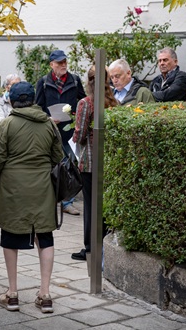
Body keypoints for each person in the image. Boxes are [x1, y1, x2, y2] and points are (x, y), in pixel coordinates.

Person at [0, 81, 64, 314]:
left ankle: (12, 294)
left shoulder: (7, 125)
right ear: (33, 100)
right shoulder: (49, 125)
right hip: (42, 188)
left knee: (10, 237)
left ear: (11, 100)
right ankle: (45, 294)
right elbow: (58, 157)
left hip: (13, 189)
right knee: (45, 236)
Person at [70, 66, 119, 262]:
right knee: (104, 206)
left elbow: (80, 134)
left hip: (89, 162)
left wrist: (74, 134)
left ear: (88, 81)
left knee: (90, 207)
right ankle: (104, 244)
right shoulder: (114, 102)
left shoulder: (86, 103)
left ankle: (90, 248)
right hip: (109, 162)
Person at [35, 49, 86, 216]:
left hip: (69, 132)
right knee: (49, 165)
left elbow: (83, 101)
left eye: (64, 62)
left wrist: (74, 116)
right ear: (52, 65)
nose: (63, 65)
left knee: (70, 166)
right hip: (50, 130)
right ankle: (48, 200)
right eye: (59, 63)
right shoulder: (43, 82)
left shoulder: (75, 81)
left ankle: (67, 202)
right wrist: (47, 119)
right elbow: (37, 107)